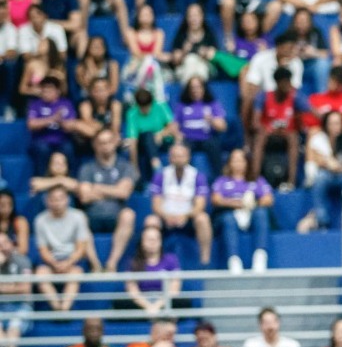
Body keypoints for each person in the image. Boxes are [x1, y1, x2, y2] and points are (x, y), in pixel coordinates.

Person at [77, 128, 137, 271]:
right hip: (92, 216)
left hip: (116, 216)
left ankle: (112, 263)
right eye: (101, 143)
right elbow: (85, 197)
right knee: (78, 217)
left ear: (115, 143)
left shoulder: (125, 166)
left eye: (109, 142)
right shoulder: (87, 168)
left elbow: (124, 193)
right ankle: (95, 264)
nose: (105, 146)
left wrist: (96, 188)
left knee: (129, 215)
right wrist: (113, 190)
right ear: (95, 145)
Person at [147, 143, 213, 266]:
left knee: (203, 219)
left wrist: (186, 216)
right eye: (175, 156)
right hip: (166, 217)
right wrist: (166, 216)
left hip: (188, 218)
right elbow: (155, 204)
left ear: (188, 157)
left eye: (182, 156)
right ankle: (151, 262)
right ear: (170, 158)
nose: (178, 159)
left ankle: (205, 261)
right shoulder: (161, 175)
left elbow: (200, 205)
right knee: (151, 221)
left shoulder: (197, 175)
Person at [212, 148, 273, 274]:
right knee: (228, 218)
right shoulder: (222, 180)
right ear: (229, 163)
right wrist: (235, 203)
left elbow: (268, 199)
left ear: (247, 163)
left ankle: (260, 257)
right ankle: (233, 260)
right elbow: (216, 199)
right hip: (230, 215)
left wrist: (252, 203)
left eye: (241, 160)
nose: (238, 164)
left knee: (261, 213)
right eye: (235, 160)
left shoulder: (256, 180)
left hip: (250, 214)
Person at [34, 185, 91, 311]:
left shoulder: (78, 216)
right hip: (50, 261)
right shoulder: (40, 220)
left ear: (67, 200)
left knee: (75, 274)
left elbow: (81, 248)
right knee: (40, 274)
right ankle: (56, 307)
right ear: (47, 201)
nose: (57, 202)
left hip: (73, 260)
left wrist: (68, 263)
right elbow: (43, 249)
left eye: (60, 198)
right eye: (53, 199)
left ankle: (65, 308)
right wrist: (55, 264)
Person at [301, 111, 342, 232]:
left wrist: (339, 167)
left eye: (337, 123)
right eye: (332, 123)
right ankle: (322, 220)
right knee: (320, 178)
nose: (335, 127)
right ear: (326, 125)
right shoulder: (317, 139)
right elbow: (315, 159)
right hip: (326, 173)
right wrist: (328, 164)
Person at [251, 66, 306, 189]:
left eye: (289, 82)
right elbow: (255, 123)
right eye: (285, 82)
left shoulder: (295, 97)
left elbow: (311, 114)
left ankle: (291, 181)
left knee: (293, 138)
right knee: (260, 137)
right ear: (278, 83)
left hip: (287, 134)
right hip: (268, 134)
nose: (288, 85)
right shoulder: (264, 97)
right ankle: (255, 179)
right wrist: (268, 129)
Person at [114, 224, 188, 314]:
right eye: (149, 239)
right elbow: (132, 291)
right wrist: (148, 307)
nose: (152, 242)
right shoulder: (132, 263)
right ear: (141, 242)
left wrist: (157, 306)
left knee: (183, 302)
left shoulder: (171, 259)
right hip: (142, 302)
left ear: (161, 242)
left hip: (165, 300)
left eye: (156, 239)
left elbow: (174, 289)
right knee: (120, 303)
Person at [26, 76, 79, 176]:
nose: (46, 93)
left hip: (62, 140)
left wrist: (61, 121)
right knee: (42, 149)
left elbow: (72, 125)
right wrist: (52, 119)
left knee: (69, 148)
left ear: (58, 91)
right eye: (44, 90)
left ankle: (71, 178)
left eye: (50, 90)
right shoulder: (35, 104)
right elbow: (31, 124)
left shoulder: (66, 104)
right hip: (42, 140)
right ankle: (42, 178)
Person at [175, 76, 226, 176]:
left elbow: (223, 127)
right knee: (180, 151)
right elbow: (175, 125)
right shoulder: (182, 105)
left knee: (214, 146)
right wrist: (178, 135)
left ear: (203, 88)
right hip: (188, 139)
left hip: (207, 138)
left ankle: (219, 179)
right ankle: (184, 181)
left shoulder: (212, 104)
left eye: (198, 87)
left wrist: (211, 120)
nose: (195, 90)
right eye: (192, 87)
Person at [0, 232, 32, 347]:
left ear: (12, 244)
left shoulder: (22, 261)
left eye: (5, 244)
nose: (2, 248)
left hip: (20, 306)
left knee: (14, 328)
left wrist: (2, 289)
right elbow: (19, 287)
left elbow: (25, 288)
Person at [0, 190, 29, 257]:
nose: (6, 209)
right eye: (2, 205)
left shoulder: (20, 222)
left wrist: (8, 251)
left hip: (15, 257)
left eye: (10, 205)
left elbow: (23, 250)